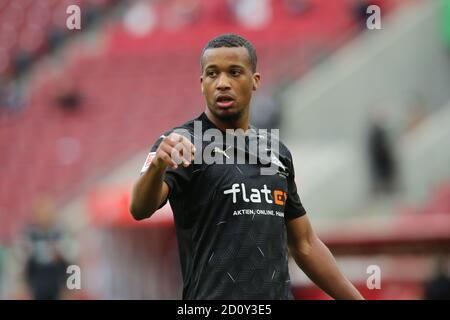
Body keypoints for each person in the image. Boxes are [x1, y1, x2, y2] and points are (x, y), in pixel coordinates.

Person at [130, 34, 363, 300]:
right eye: (212, 74)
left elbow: (305, 243)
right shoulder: (182, 142)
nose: (222, 83)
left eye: (234, 72)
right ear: (202, 83)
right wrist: (158, 165)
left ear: (255, 81)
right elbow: (139, 208)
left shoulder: (275, 152)